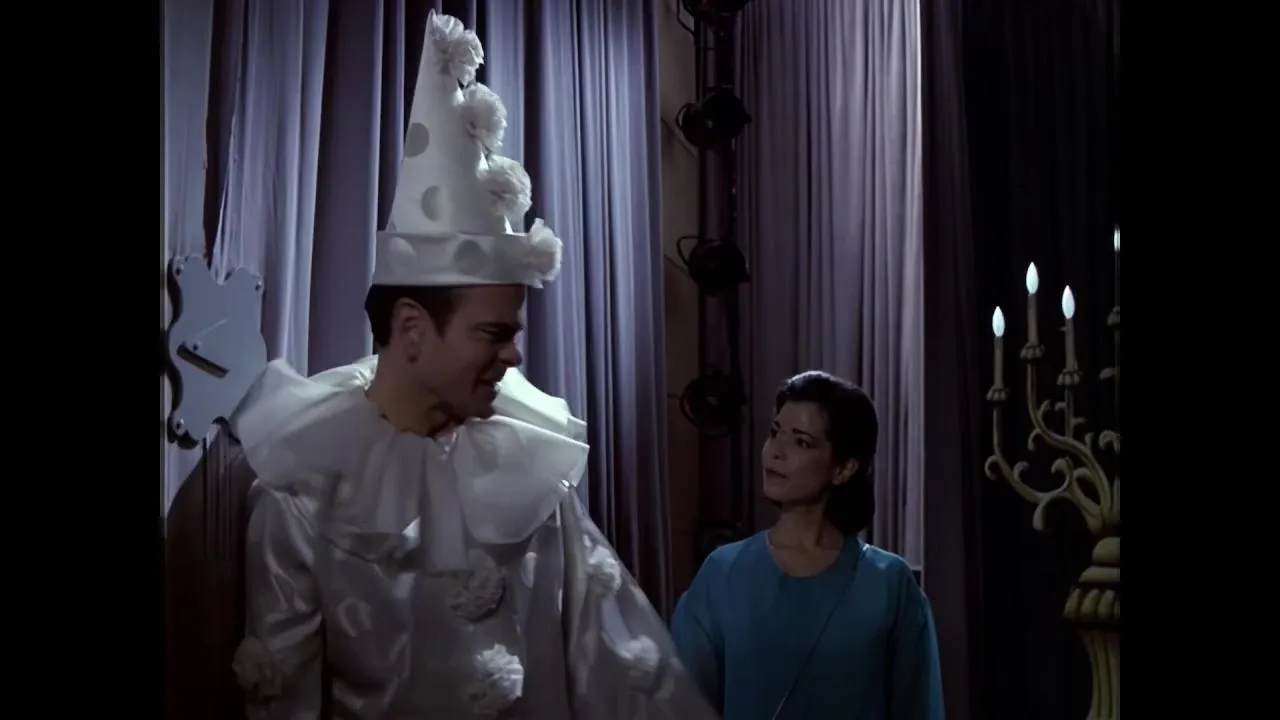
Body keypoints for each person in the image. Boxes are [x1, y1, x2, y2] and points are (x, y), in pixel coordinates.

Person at [226, 10, 718, 719]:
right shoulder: (304, 496)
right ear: (411, 329)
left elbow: (624, 674)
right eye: (493, 333)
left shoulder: (531, 477)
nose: (513, 355)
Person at [671, 371, 945, 720]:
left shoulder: (890, 583)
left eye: (801, 442)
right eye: (775, 433)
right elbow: (682, 704)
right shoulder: (723, 573)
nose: (776, 452)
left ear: (843, 469)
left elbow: (918, 709)